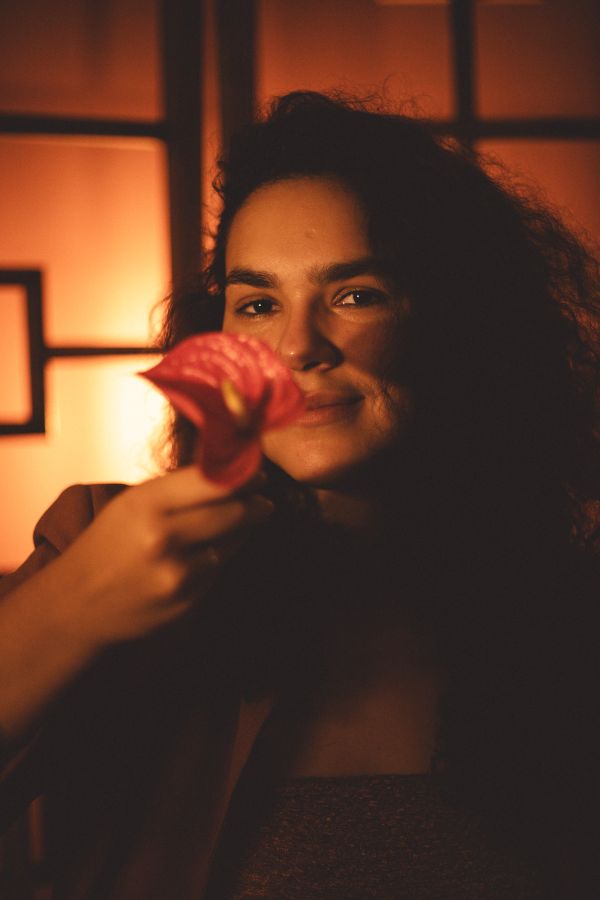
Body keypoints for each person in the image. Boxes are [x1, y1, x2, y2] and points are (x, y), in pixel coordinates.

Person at [1, 90, 598, 899]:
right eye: (258, 304)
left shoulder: (564, 607)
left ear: (460, 323)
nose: (295, 346)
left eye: (355, 295)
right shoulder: (106, 544)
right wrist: (73, 605)